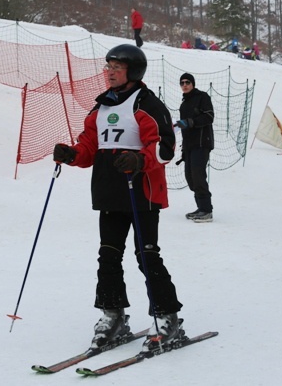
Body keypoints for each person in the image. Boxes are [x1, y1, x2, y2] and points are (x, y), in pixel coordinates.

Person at [53, 44, 183, 353]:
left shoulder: (147, 104)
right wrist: (71, 154)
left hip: (142, 192)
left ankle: (168, 319)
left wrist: (140, 161)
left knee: (146, 255)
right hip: (110, 191)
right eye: (107, 66)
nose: (109, 72)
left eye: (117, 67)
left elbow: (165, 148)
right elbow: (89, 146)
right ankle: (113, 316)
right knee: (108, 256)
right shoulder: (100, 108)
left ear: (133, 72)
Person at [176, 73, 214, 223]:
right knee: (190, 177)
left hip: (202, 142)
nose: (185, 85)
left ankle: (206, 210)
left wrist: (191, 122)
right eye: (182, 83)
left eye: (187, 82)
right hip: (189, 145)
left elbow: (209, 116)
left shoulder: (202, 97)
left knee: (198, 175)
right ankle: (200, 207)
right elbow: (185, 127)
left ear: (193, 84)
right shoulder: (184, 103)